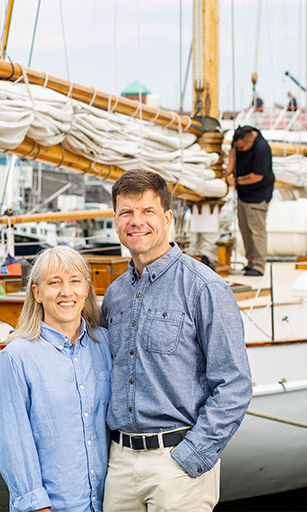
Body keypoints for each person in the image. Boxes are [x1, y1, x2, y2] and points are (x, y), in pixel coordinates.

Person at [101, 170, 252, 512]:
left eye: (147, 211)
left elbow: (234, 384)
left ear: (168, 218)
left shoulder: (205, 288)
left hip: (177, 461)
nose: (136, 221)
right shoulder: (114, 295)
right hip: (121, 463)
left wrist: (191, 456)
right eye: (126, 212)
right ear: (115, 220)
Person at [0, 246, 111, 512]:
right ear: (37, 292)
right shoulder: (16, 358)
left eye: (75, 281)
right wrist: (37, 507)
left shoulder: (105, 344)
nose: (66, 292)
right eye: (54, 283)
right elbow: (15, 444)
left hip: (108, 503)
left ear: (86, 288)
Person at [224, 125, 275, 276]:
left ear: (251, 140)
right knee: (245, 229)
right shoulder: (240, 138)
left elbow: (257, 176)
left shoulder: (262, 149)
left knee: (257, 231)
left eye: (242, 148)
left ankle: (258, 266)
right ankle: (251, 262)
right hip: (243, 194)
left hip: (257, 195)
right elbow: (233, 150)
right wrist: (230, 167)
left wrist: (236, 181)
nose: (240, 150)